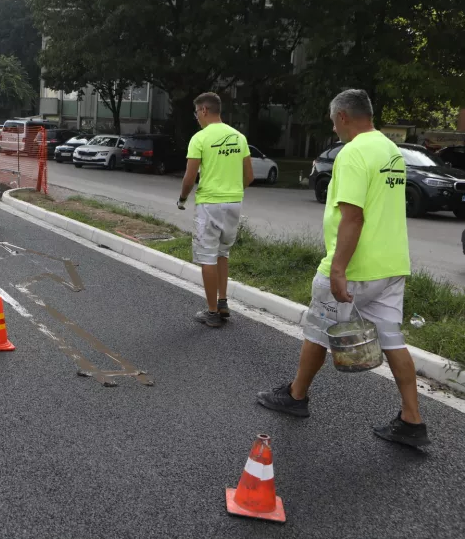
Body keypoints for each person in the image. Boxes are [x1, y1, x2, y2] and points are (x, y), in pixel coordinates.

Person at [257, 89, 428, 447]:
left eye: (334, 120)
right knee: (393, 340)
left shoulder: (352, 153)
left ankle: (296, 395)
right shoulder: (390, 151)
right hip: (392, 265)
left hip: (355, 267)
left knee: (318, 328)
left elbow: (353, 216)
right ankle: (412, 420)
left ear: (344, 117)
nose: (334, 127)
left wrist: (338, 269)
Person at [177, 92, 254, 327]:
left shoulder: (200, 138)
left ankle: (212, 313)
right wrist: (231, 190)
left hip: (210, 204)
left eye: (196, 113)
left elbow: (190, 177)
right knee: (222, 253)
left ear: (203, 110)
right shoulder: (239, 137)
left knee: (208, 257)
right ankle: (222, 302)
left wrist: (182, 198)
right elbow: (249, 176)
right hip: (234, 203)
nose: (196, 118)